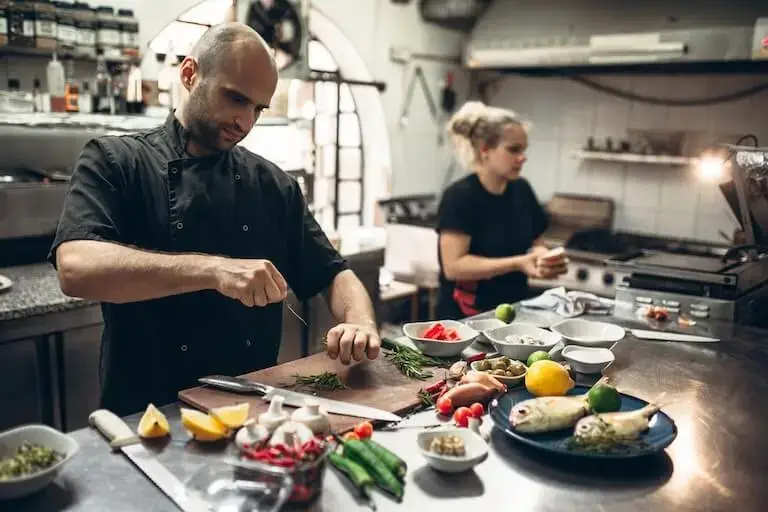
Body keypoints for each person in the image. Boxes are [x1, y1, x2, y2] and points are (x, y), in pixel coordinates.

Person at [49, 22, 380, 416]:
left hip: (250, 412)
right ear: (190, 74)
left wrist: (360, 321)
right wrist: (213, 270)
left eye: (257, 108)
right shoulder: (116, 161)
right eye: (235, 98)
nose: (245, 122)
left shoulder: (273, 184)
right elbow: (75, 268)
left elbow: (334, 273)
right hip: (148, 415)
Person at [436, 101, 568, 319]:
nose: (522, 157)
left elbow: (537, 241)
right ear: (485, 150)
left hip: (512, 313)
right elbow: (454, 266)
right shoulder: (460, 196)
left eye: (523, 150)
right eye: (513, 150)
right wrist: (518, 263)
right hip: (465, 319)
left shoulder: (521, 190)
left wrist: (544, 258)